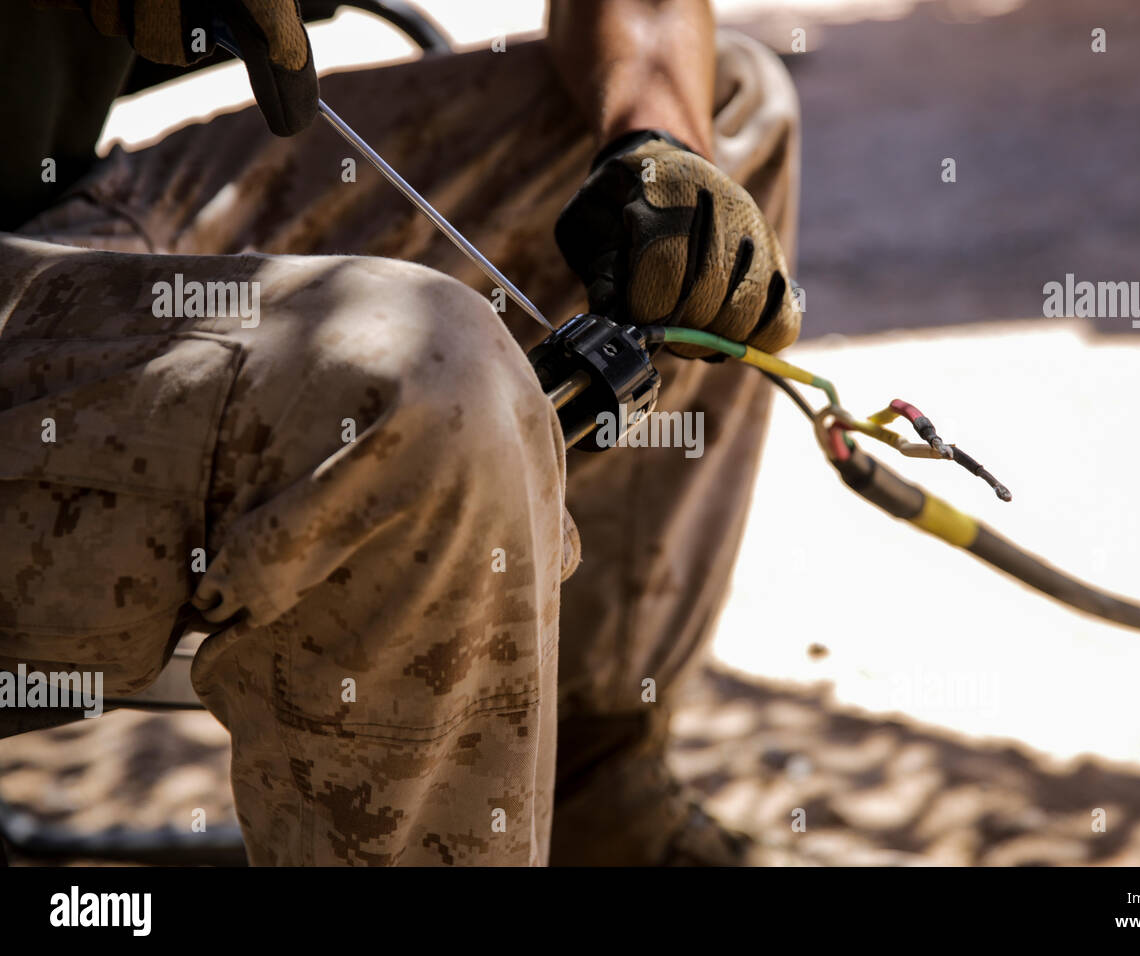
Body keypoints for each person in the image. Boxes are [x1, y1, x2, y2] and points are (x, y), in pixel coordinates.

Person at [0, 0, 802, 865]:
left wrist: (660, 148)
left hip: (61, 215)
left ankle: (584, 781)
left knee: (721, 106)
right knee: (429, 382)